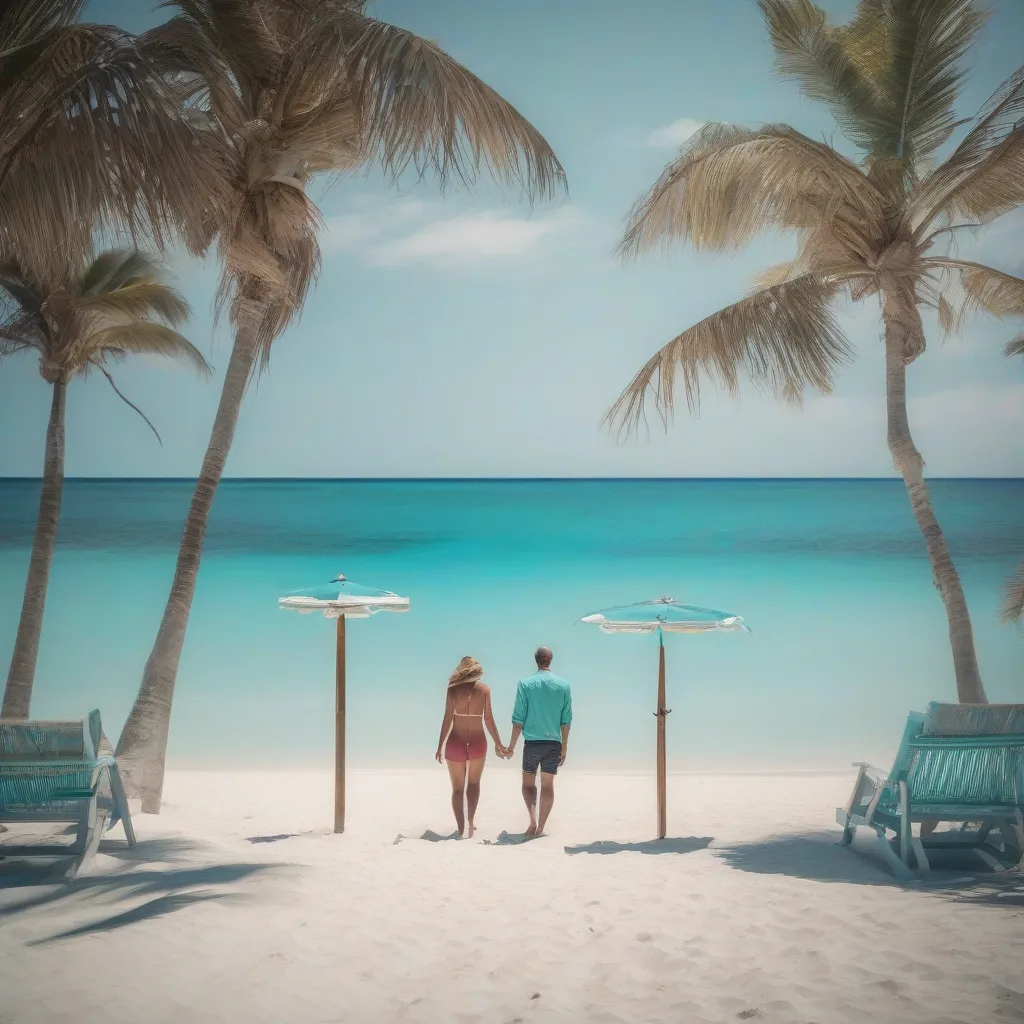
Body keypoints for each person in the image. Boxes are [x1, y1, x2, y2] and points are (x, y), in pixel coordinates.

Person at [435, 655, 508, 837]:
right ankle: (470, 823)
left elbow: (447, 718)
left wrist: (440, 745)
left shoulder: (452, 690)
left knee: (457, 789)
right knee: (474, 784)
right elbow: (489, 719)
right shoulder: (484, 690)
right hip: (477, 742)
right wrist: (498, 743)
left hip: (455, 742)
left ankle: (460, 828)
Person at [505, 646, 572, 837]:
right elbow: (566, 719)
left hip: (532, 743)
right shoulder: (563, 685)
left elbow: (518, 719)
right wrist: (564, 746)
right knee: (547, 784)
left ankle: (533, 821)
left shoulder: (525, 684)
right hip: (553, 744)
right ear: (550, 660)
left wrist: (511, 746)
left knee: (528, 783)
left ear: (536, 660)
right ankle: (541, 827)